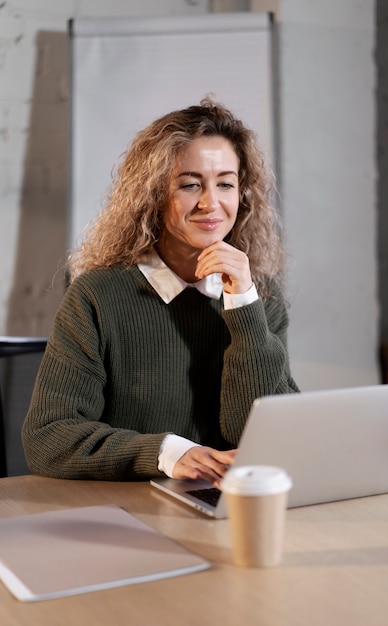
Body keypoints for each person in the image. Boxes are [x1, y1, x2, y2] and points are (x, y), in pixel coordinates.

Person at [22, 96, 299, 486]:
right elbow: (47, 438)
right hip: (125, 512)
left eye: (225, 184)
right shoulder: (97, 297)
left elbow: (261, 437)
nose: (211, 203)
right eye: (190, 185)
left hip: (225, 506)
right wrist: (168, 453)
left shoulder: (258, 297)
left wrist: (242, 305)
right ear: (153, 195)